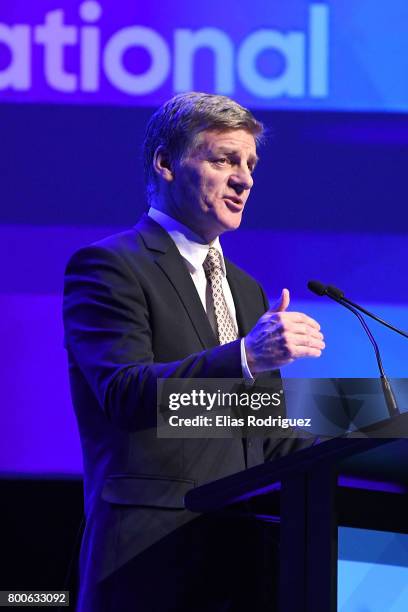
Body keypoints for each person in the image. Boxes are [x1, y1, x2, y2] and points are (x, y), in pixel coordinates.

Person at [63, 92, 325, 612]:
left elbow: (262, 435)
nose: (245, 179)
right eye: (225, 159)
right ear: (165, 163)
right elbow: (124, 395)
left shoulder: (247, 290)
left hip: (245, 566)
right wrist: (244, 359)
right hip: (149, 562)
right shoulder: (110, 267)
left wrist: (368, 437)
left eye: (250, 164)